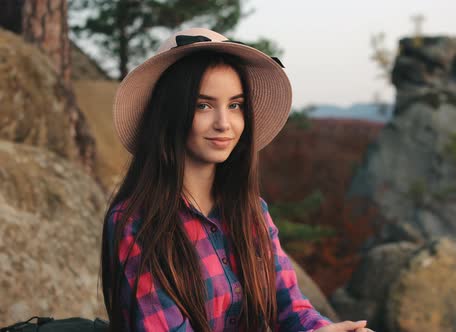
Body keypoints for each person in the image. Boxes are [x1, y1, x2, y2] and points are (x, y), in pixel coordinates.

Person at [100, 28, 372, 332]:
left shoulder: (252, 212)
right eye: (203, 105)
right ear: (171, 113)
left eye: (235, 105)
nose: (223, 123)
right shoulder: (138, 223)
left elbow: (291, 308)